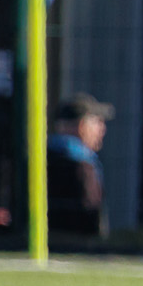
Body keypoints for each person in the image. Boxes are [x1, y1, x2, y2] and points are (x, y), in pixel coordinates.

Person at [46, 93, 113, 238]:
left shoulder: (38, 160)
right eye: (98, 122)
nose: (103, 129)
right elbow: (91, 222)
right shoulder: (83, 167)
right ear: (82, 126)